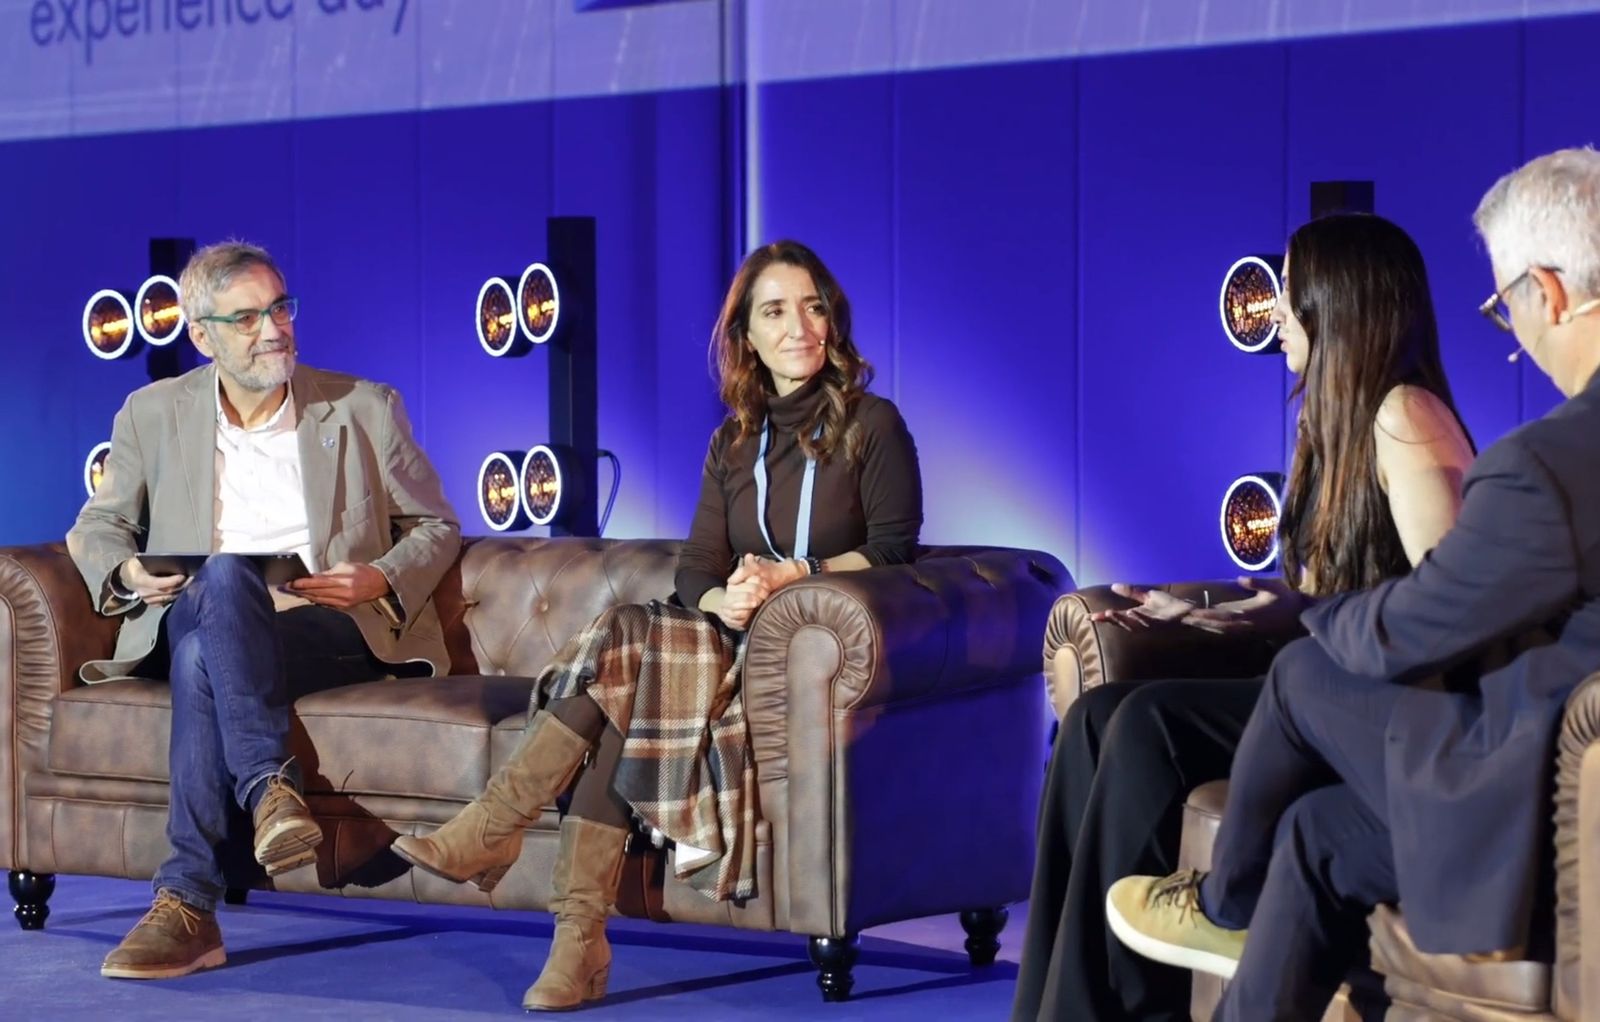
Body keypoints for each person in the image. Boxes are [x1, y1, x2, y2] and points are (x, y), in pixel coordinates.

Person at [1106, 147, 1600, 1020]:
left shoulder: (1550, 463)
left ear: (1550, 293)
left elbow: (1414, 626)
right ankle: (1227, 915)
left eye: (1505, 307)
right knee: (1315, 836)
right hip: (1549, 771)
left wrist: (1311, 613)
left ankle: (1221, 909)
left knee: (1300, 676)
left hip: (1551, 809)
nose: (1516, 337)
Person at [392, 239, 923, 1012]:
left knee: (627, 653)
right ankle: (576, 937)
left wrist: (792, 578)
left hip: (798, 657)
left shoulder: (874, 425)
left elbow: (894, 551)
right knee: (633, 662)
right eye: (775, 311)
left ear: (832, 321)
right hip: (720, 636)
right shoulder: (734, 441)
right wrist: (721, 603)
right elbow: (698, 567)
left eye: (813, 307)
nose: (799, 327)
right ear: (746, 335)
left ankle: (505, 839)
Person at [1012, 213, 1476, 1020]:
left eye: (1292, 292)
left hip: (1377, 709)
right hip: (1321, 676)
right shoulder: (1326, 422)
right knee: (1094, 718)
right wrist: (1226, 608)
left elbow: (1448, 608)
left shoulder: (1406, 415)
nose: (1277, 310)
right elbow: (1329, 596)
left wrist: (1305, 613)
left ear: (1340, 304)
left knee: (1148, 727)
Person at [66, 241, 461, 981]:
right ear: (202, 334)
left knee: (198, 661)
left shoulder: (362, 407)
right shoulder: (151, 413)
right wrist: (125, 569)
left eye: (281, 307)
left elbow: (436, 523)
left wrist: (379, 576)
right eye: (245, 318)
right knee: (216, 584)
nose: (273, 328)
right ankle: (267, 791)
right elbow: (97, 527)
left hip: (321, 623)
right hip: (198, 605)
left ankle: (187, 903)